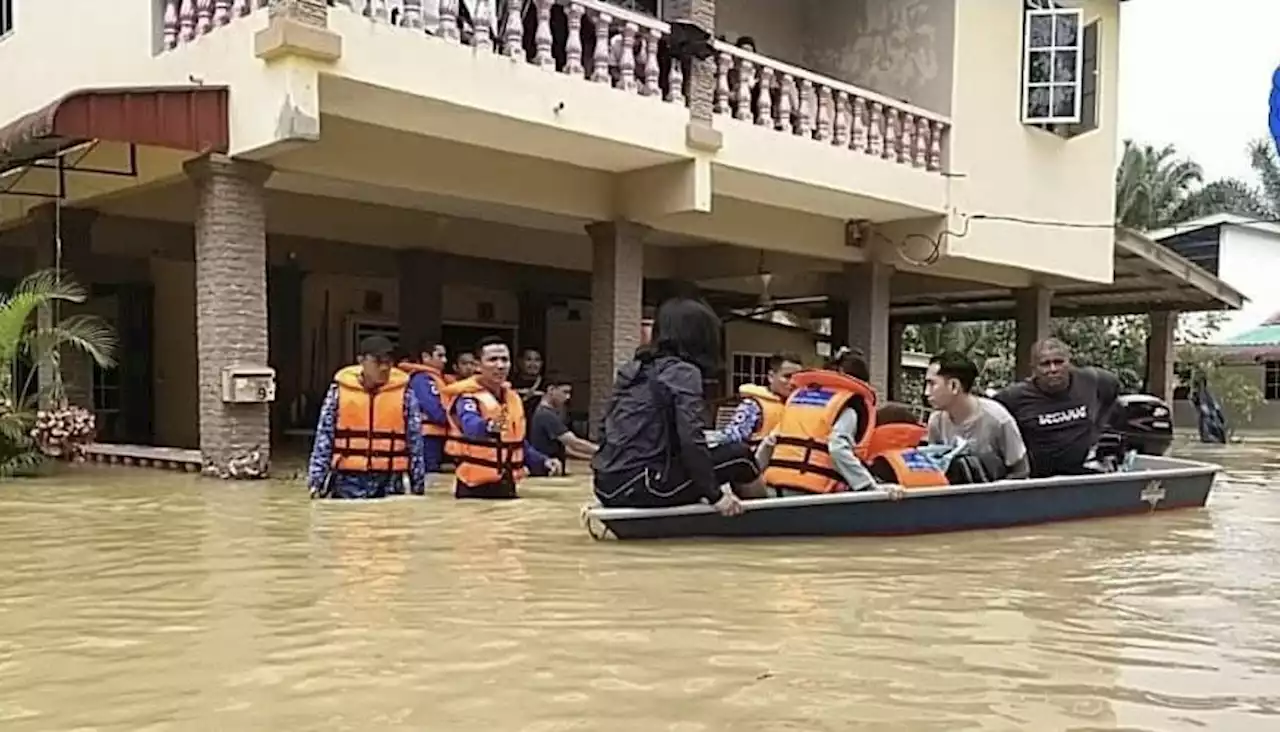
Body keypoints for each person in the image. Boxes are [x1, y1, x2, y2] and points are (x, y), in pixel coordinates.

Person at [592, 296, 769, 516]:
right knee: (740, 456)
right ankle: (766, 516)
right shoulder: (683, 372)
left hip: (606, 487)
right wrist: (715, 496)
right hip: (646, 486)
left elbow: (603, 428)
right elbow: (691, 438)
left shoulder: (633, 369)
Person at [307, 336, 427, 499]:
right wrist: (316, 481)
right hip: (348, 480)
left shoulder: (405, 395)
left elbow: (415, 443)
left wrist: (418, 485)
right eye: (378, 361)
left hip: (390, 481)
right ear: (361, 360)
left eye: (389, 362)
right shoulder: (338, 393)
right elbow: (324, 438)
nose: (385, 367)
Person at [446, 336, 563, 499]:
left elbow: (517, 443)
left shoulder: (512, 398)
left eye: (504, 360)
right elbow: (470, 425)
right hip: (474, 489)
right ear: (478, 365)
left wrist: (542, 461)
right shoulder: (467, 397)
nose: (500, 366)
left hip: (507, 484)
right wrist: (489, 426)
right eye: (493, 360)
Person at [758, 347, 881, 495]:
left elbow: (770, 441)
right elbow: (837, 448)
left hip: (772, 489)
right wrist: (868, 486)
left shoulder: (800, 400)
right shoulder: (847, 407)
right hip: (810, 494)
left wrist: (753, 478)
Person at [995, 338, 1121, 478]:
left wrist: (1099, 427)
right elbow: (991, 421)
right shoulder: (1013, 397)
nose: (1053, 369)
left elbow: (1113, 394)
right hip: (1040, 480)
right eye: (1045, 364)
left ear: (1069, 362)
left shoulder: (1093, 379)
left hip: (1085, 475)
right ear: (1033, 368)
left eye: (1059, 362)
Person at [924, 351, 1029, 480]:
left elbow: (1021, 471)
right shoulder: (936, 421)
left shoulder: (998, 419)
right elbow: (934, 470)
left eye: (932, 384)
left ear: (954, 386)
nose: (926, 392)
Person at [715, 352, 802, 448]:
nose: (793, 382)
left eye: (797, 378)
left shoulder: (801, 407)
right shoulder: (753, 406)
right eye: (787, 376)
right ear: (771, 377)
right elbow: (731, 440)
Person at [397, 340, 450, 472]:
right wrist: (453, 420)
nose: (445, 360)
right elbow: (434, 409)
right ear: (426, 357)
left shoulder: (435, 378)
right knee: (429, 475)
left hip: (436, 436)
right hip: (426, 437)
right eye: (440, 355)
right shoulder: (421, 379)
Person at [527, 373, 598, 470]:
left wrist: (592, 457)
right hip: (548, 468)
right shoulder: (546, 415)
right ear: (551, 390)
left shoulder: (546, 413)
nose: (567, 397)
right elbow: (574, 443)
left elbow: (566, 449)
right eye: (565, 392)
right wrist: (602, 451)